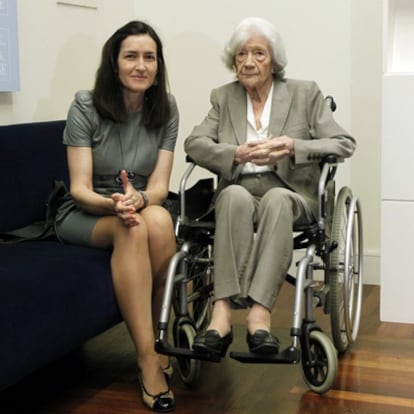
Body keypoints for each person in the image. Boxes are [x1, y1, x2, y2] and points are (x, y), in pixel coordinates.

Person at [184, 17, 356, 357]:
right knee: (231, 195)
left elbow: (343, 143)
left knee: (277, 198)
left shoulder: (305, 93)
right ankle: (220, 316)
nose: (249, 62)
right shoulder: (224, 97)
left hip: (292, 194)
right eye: (242, 54)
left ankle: (259, 316)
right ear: (233, 61)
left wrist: (293, 146)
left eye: (259, 54)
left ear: (274, 60)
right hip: (240, 190)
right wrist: (234, 153)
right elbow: (194, 143)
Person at [55, 21, 178, 413]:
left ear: (158, 65)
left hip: (139, 202)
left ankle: (158, 337)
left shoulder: (166, 108)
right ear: (114, 62)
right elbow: (79, 189)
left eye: (149, 57)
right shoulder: (85, 106)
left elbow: (160, 186)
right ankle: (146, 359)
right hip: (87, 210)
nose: (141, 66)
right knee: (135, 227)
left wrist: (138, 198)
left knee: (159, 222)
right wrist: (114, 205)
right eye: (131, 57)